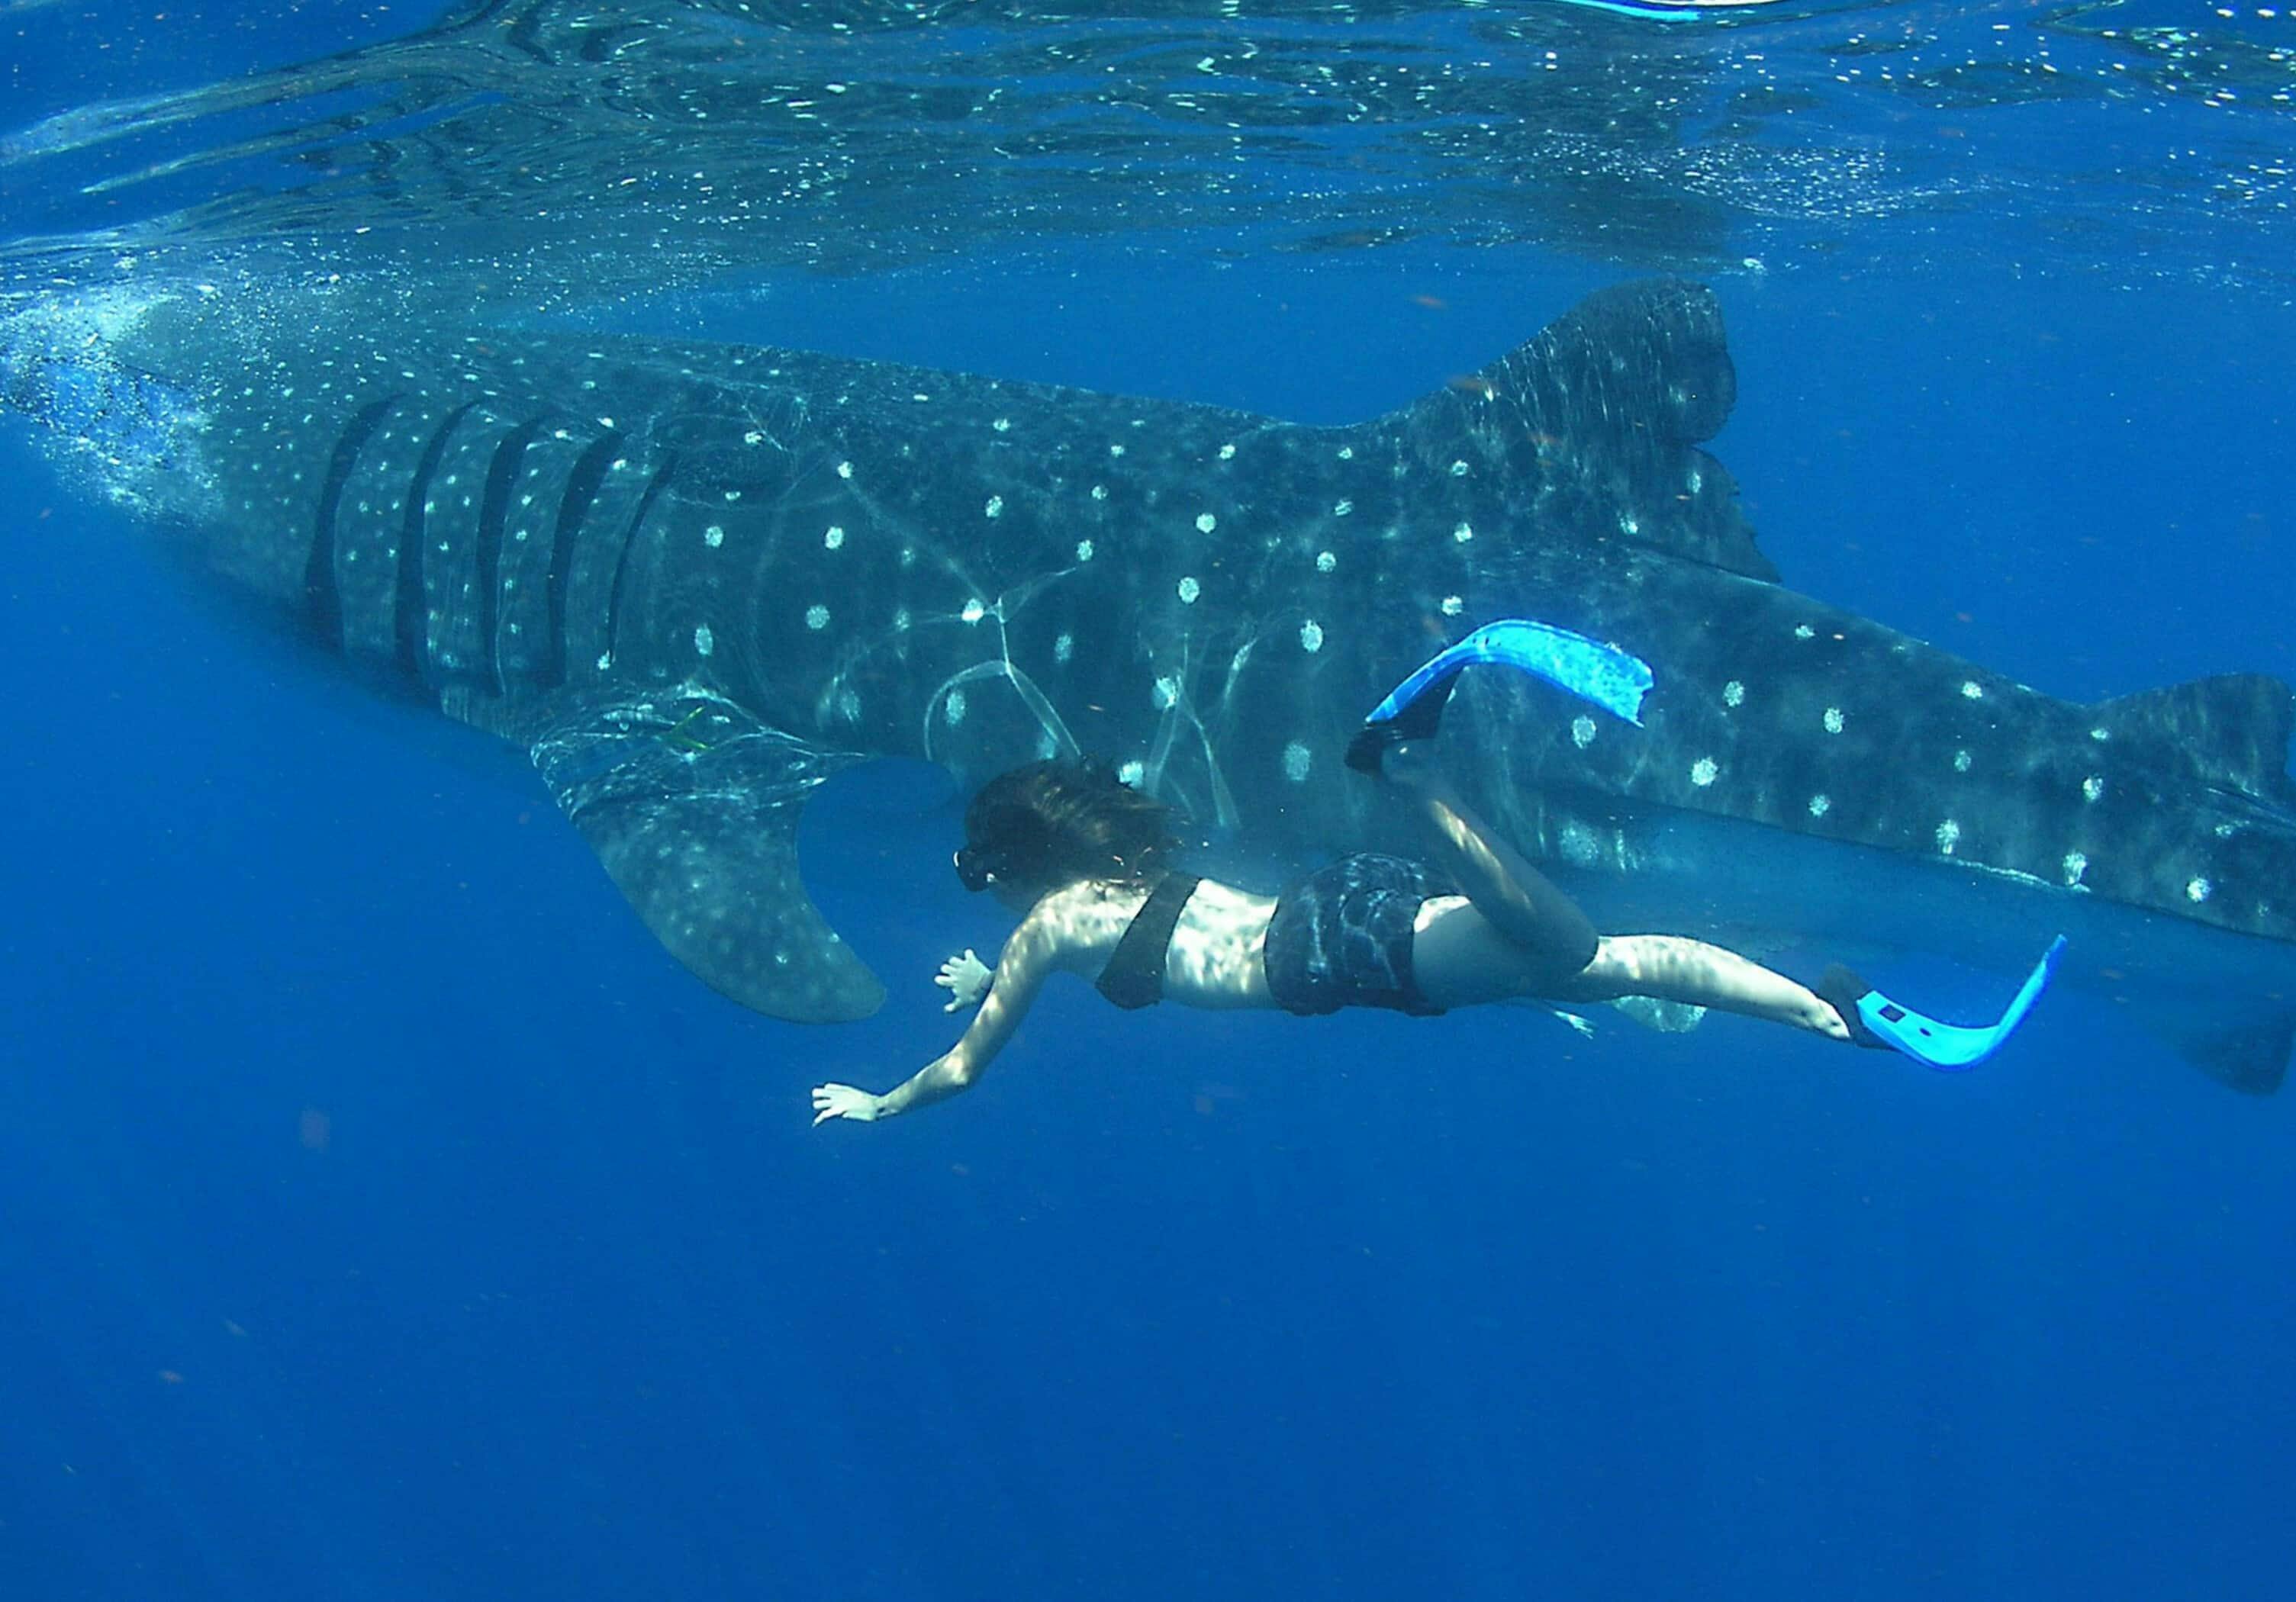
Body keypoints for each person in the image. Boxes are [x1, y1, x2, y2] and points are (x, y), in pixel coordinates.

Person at [810, 621, 2056, 1127]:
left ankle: (1411, 773)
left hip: (1334, 958)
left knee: (1573, 956)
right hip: (1326, 910)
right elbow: (1075, 955)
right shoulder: (1127, 873)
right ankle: (1838, 1015)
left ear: (1018, 870)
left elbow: (969, 1064)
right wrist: (988, 964)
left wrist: (879, 1104)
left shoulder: (1051, 934)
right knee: (1610, 967)